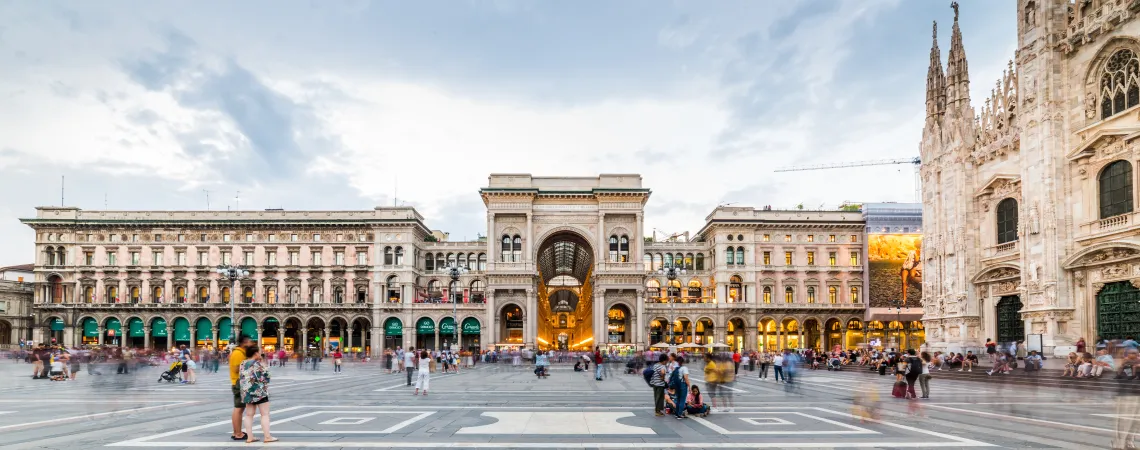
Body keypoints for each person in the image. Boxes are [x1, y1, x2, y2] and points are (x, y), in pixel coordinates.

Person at [239, 347, 277, 444]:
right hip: (259, 392)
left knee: (248, 415)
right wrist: (264, 363)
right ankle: (267, 436)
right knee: (264, 414)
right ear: (255, 353)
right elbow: (267, 377)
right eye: (259, 352)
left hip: (247, 392)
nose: (260, 354)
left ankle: (250, 437)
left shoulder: (242, 364)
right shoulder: (257, 364)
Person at [229, 335, 254, 441]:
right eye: (250, 342)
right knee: (239, 408)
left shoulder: (241, 353)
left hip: (241, 382)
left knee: (240, 408)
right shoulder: (238, 353)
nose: (251, 344)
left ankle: (237, 431)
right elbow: (236, 369)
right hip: (239, 383)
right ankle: (237, 433)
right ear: (244, 343)